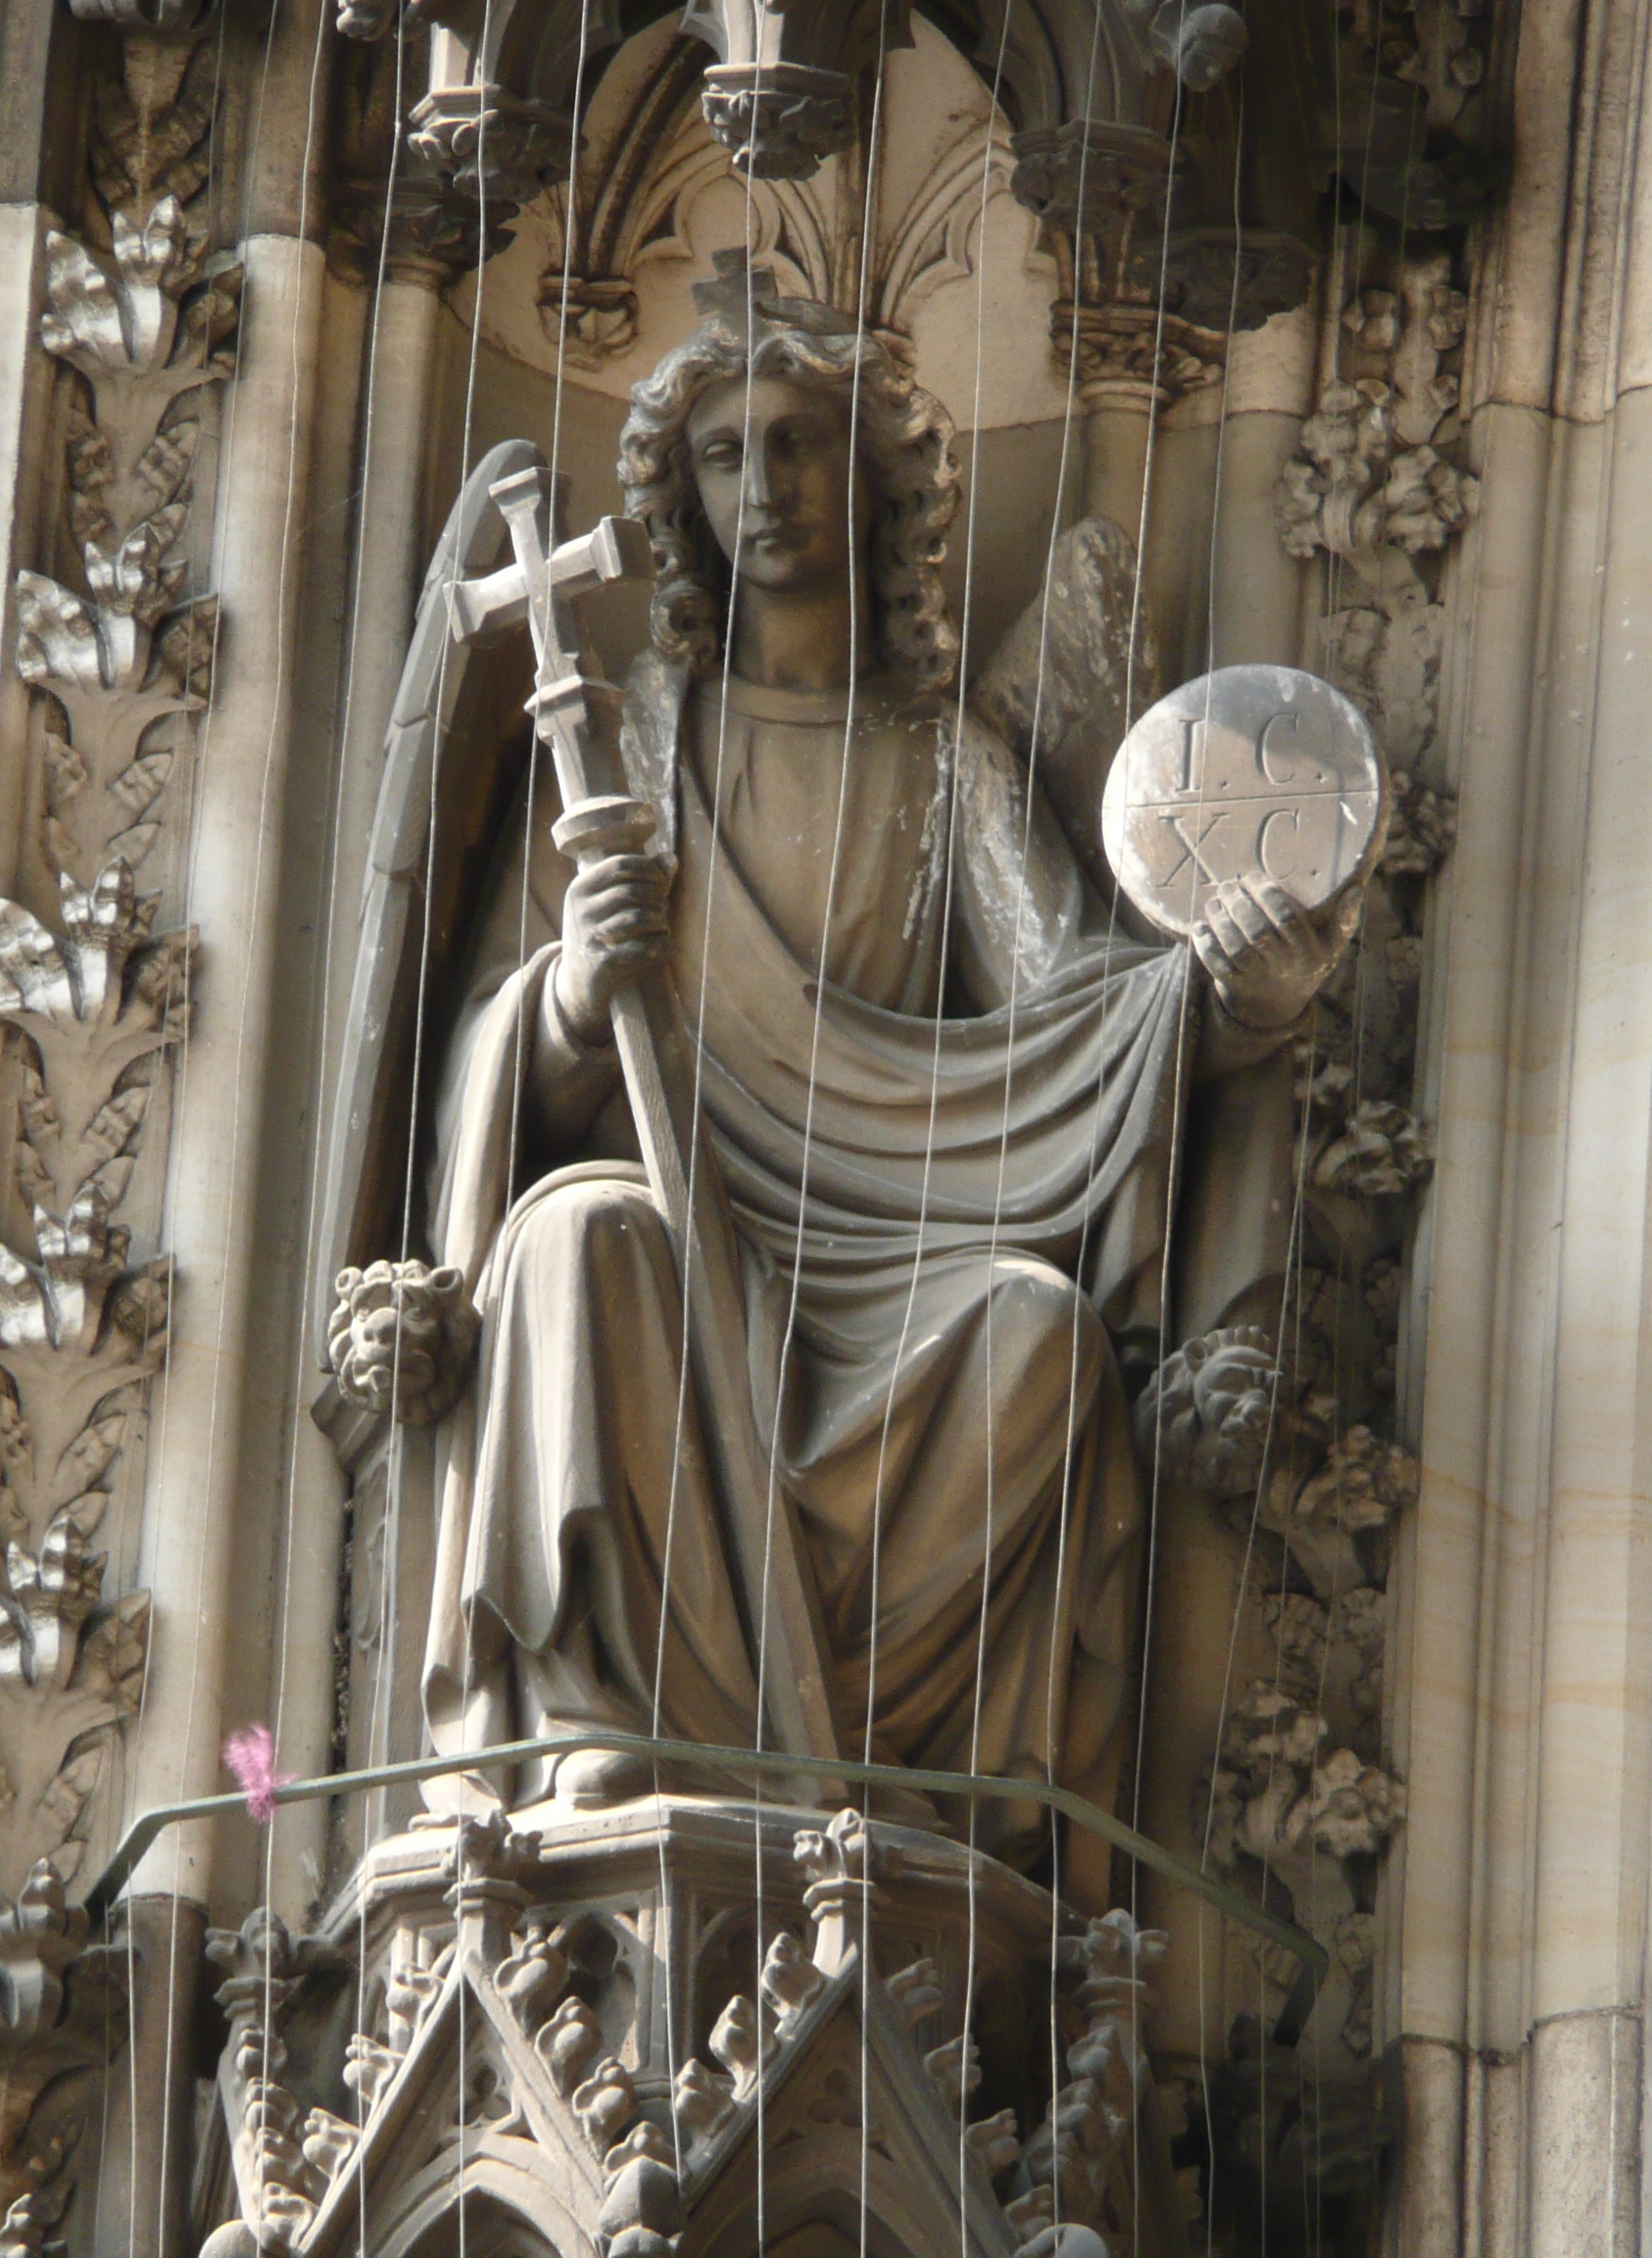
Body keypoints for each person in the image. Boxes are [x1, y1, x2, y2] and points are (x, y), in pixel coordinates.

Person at [415, 268, 1354, 1862]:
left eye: (798, 447)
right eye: (725, 456)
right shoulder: (624, 743)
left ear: (873, 483)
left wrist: (1236, 999)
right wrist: (576, 990)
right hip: (685, 1230)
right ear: (682, 498)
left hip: (901, 1257)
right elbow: (492, 1063)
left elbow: (1070, 1017)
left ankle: (906, 1795)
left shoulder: (941, 769)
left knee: (1043, 1333)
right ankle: (604, 1719)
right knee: (573, 1236)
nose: (763, 489)